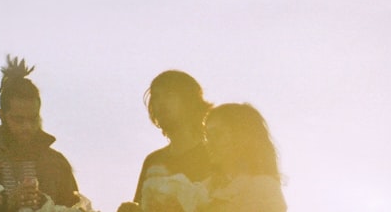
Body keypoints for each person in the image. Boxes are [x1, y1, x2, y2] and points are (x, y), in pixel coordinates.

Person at [0, 56, 80, 210]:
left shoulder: (57, 163)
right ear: (2, 116)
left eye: (33, 119)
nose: (27, 127)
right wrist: (7, 204)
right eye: (19, 120)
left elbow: (76, 208)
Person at [117, 71, 214, 212]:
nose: (160, 103)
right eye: (156, 97)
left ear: (190, 102)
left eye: (169, 95)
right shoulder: (153, 161)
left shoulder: (214, 157)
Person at [198, 103, 286, 212]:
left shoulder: (264, 188)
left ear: (241, 138)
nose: (208, 144)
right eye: (207, 136)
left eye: (217, 135)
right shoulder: (201, 189)